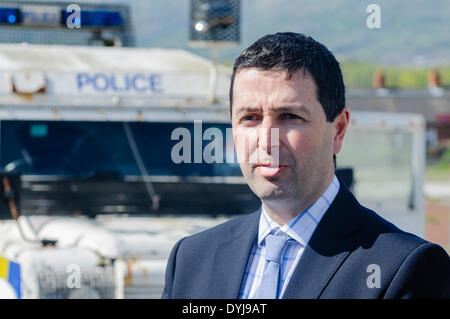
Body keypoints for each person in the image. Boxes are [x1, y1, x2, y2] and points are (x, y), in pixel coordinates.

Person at [162, 32, 450, 299]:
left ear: (338, 129)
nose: (267, 141)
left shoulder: (404, 268)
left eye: (289, 117)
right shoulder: (191, 260)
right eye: (250, 117)